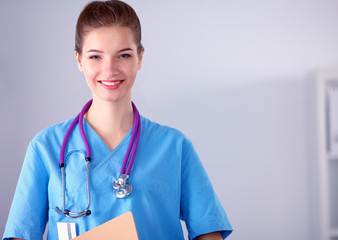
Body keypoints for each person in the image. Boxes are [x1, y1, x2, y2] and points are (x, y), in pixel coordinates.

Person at [2, 1, 232, 239]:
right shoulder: (46, 147)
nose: (110, 69)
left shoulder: (174, 146)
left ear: (140, 57)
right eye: (95, 57)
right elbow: (21, 233)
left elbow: (208, 232)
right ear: (79, 60)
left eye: (123, 55)